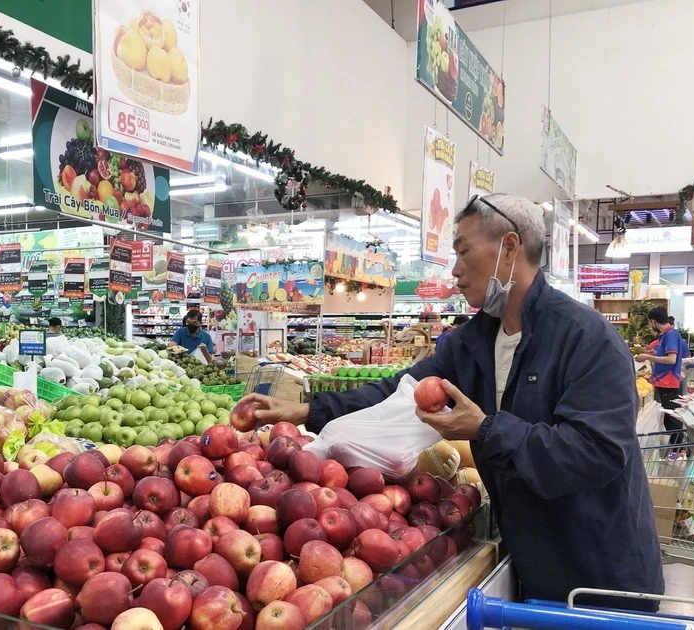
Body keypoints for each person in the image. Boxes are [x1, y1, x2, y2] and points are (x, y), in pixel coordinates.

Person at [241, 193, 664, 610]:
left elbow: (597, 452)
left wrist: (484, 429)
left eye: (463, 252)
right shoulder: (472, 343)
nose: (455, 271)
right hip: (534, 562)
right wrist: (308, 411)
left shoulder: (587, 339)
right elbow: (398, 388)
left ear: (509, 247)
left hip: (601, 574)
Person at [635, 307, 687, 444]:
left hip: (668, 381)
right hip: (666, 380)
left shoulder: (670, 335)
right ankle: (677, 447)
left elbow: (671, 359)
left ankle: (678, 449)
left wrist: (647, 357)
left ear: (653, 321)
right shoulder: (668, 334)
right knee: (669, 416)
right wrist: (654, 353)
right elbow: (667, 355)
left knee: (672, 417)